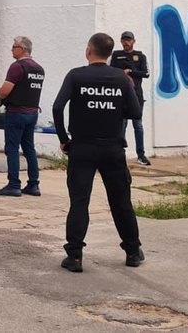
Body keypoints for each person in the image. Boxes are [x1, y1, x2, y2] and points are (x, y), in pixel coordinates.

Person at [53, 32, 144, 273]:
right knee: (121, 201)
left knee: (80, 201)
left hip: (82, 147)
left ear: (88, 50)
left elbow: (57, 107)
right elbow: (135, 113)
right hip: (113, 148)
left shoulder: (76, 76)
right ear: (110, 53)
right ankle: (133, 251)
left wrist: (64, 140)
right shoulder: (122, 79)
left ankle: (74, 256)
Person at [0, 36, 45, 197]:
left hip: (16, 113)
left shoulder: (17, 67)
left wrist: (1, 97)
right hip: (32, 114)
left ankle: (14, 184)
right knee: (29, 149)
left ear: (23, 49)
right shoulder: (39, 69)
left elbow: (5, 90)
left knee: (12, 149)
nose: (12, 49)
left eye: (14, 46)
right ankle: (33, 184)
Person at [110, 31, 150, 166]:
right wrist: (122, 73)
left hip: (136, 95)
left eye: (129, 40)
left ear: (134, 41)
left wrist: (131, 71)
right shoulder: (117, 55)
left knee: (138, 125)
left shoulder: (140, 56)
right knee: (122, 124)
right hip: (121, 95)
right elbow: (110, 71)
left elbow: (146, 73)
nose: (126, 43)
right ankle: (119, 153)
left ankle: (141, 155)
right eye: (124, 40)